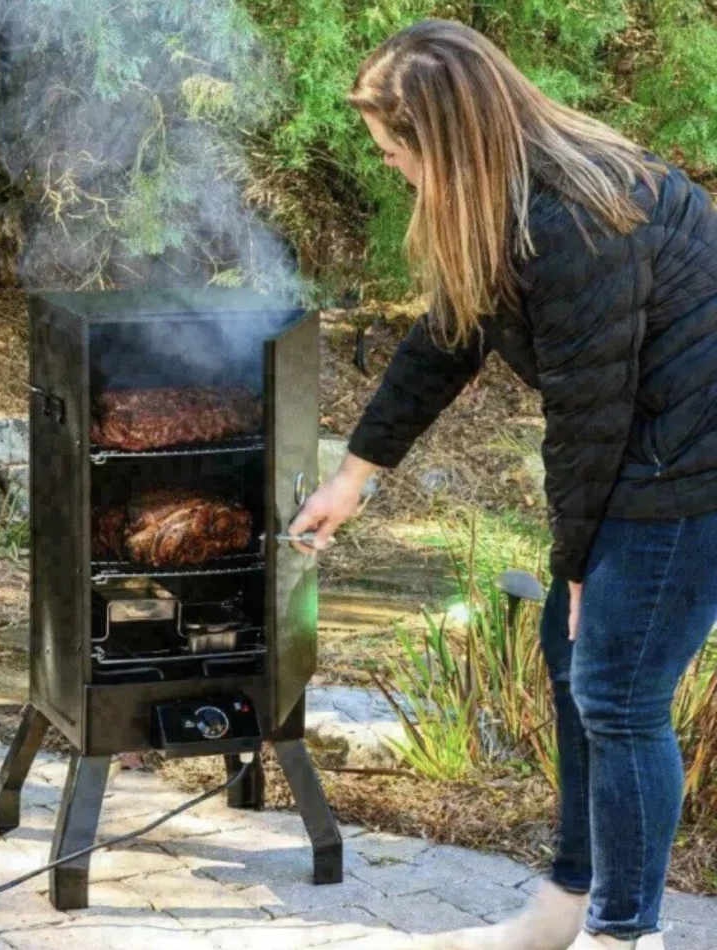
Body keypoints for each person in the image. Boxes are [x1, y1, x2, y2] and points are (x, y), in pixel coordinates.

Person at [289, 19, 717, 950]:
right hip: (649, 448)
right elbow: (447, 337)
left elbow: (589, 421)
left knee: (621, 693)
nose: (394, 169)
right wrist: (353, 476)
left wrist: (576, 570)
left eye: (397, 151)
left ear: (445, 138)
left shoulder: (573, 220)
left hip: (691, 468)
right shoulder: (506, 199)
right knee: (579, 670)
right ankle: (564, 910)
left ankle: (621, 935)